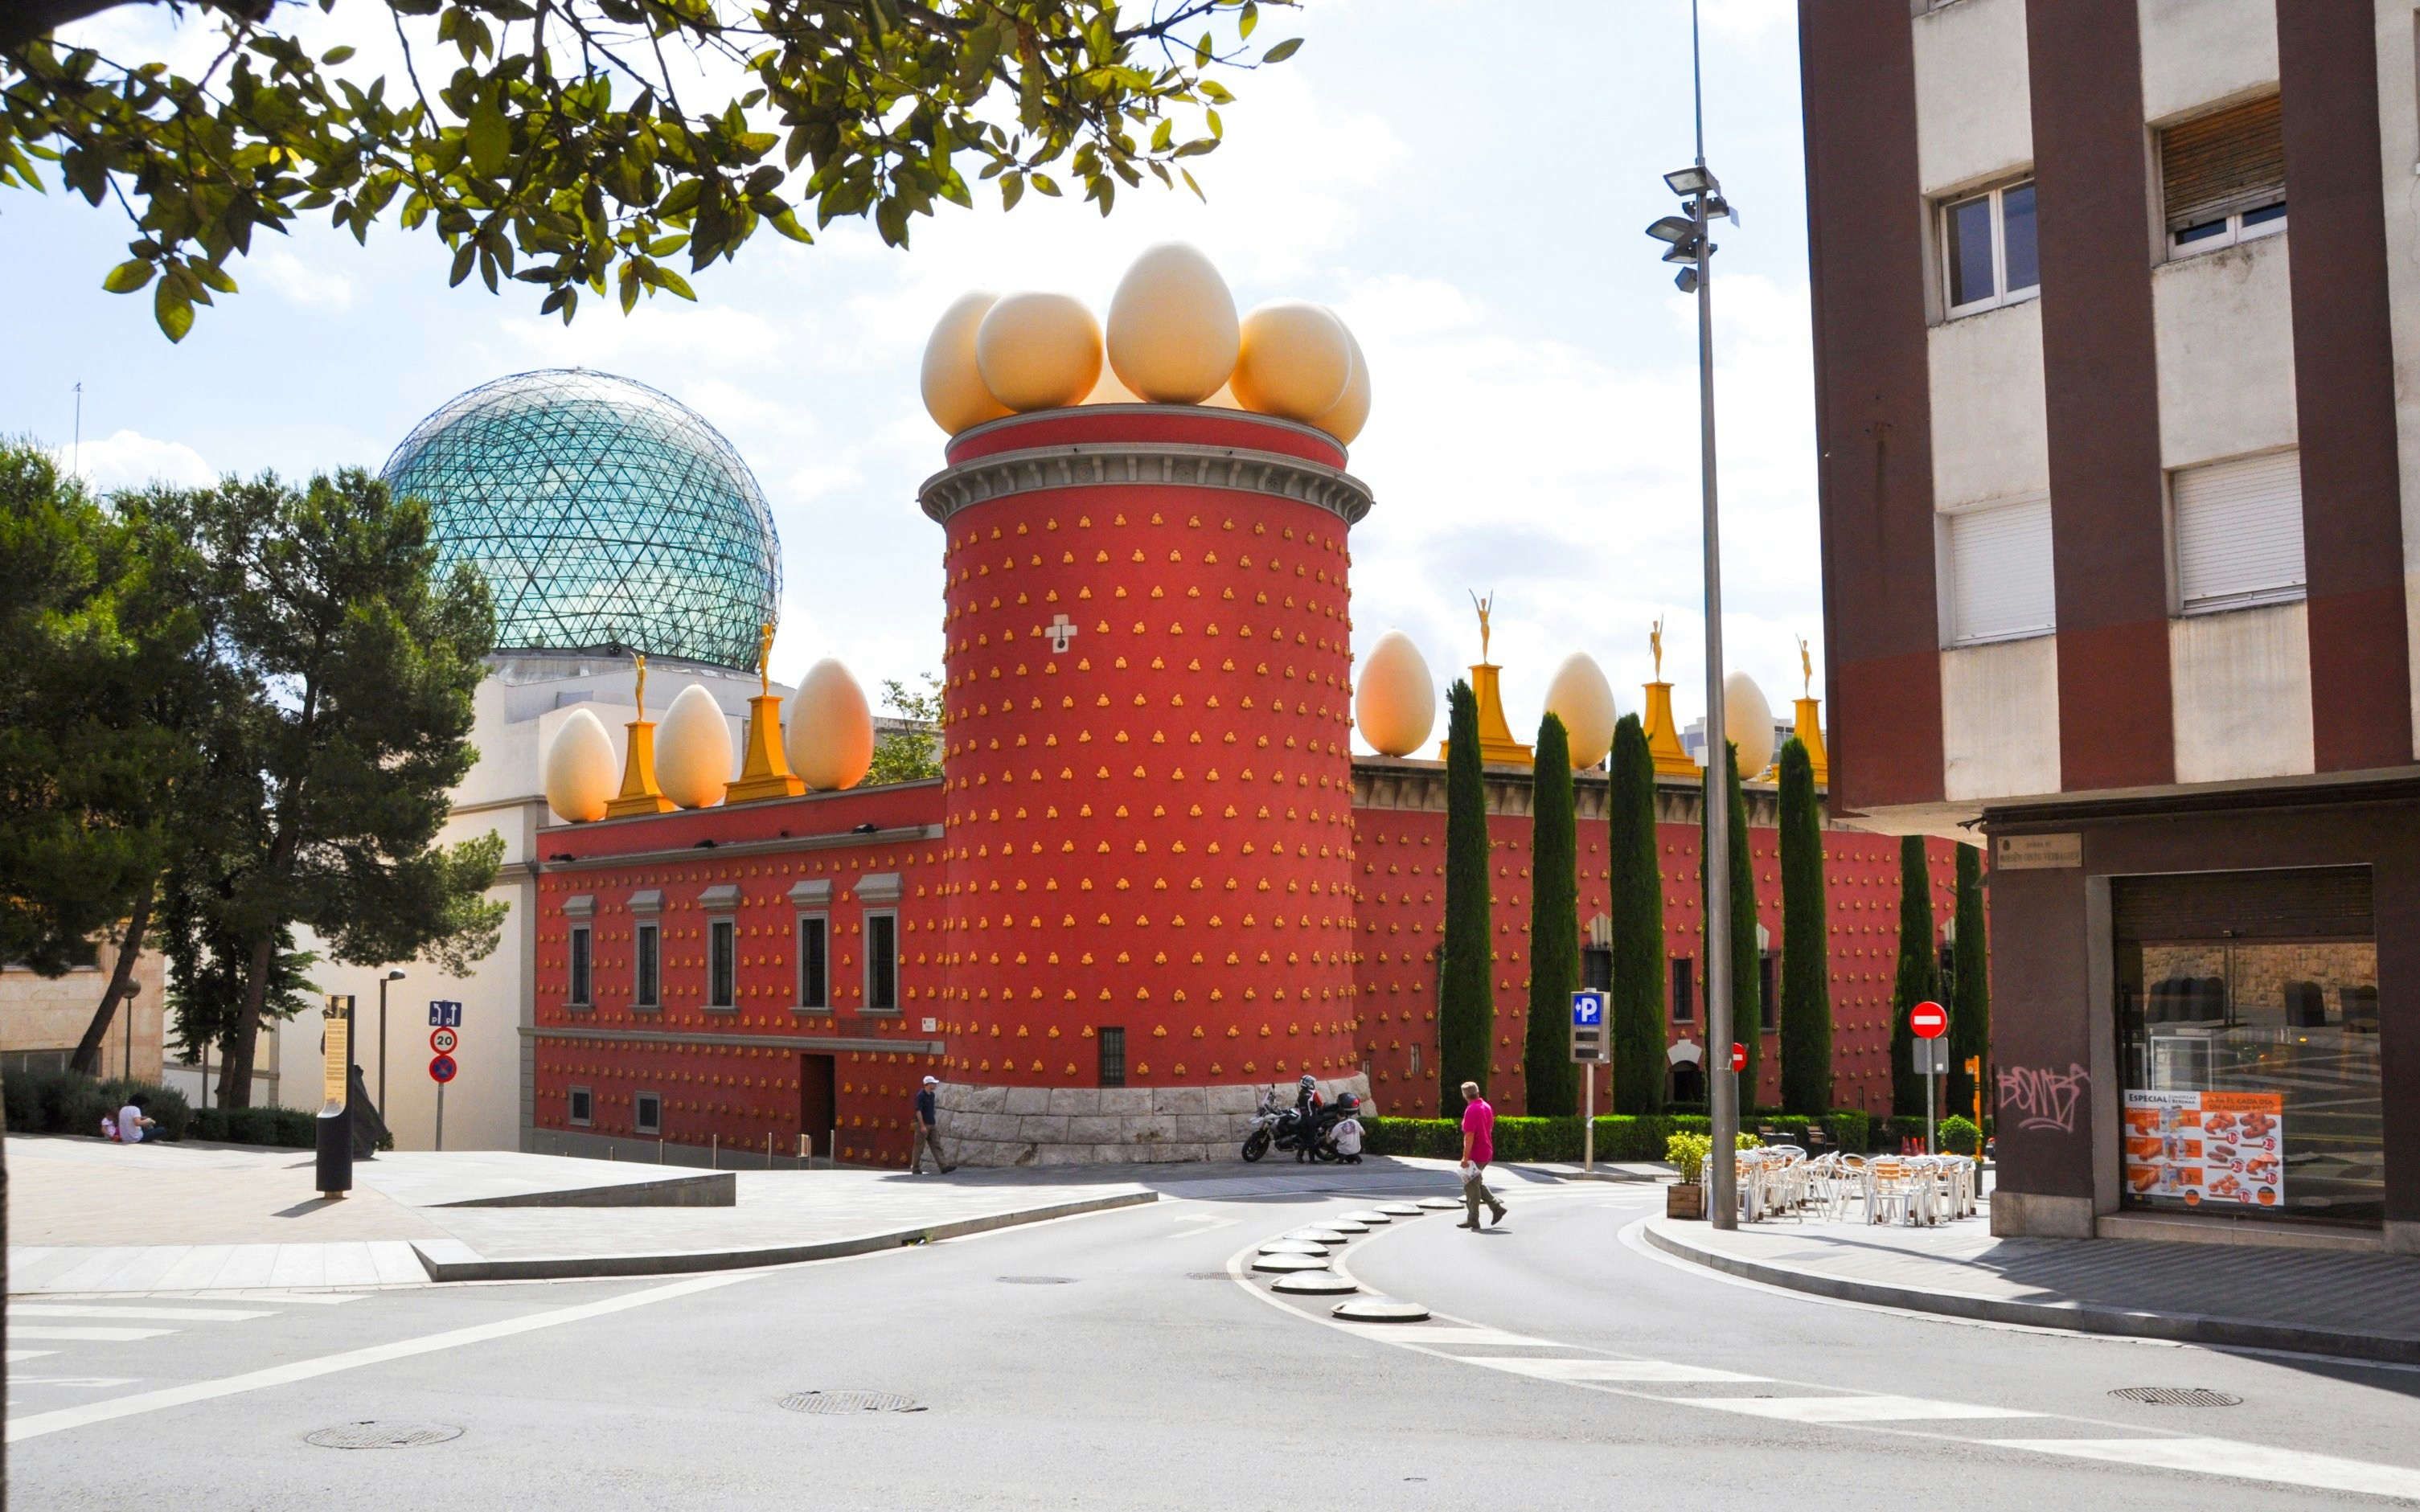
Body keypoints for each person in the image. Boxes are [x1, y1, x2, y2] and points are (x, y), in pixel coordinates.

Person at [1457, 1080, 1505, 1230]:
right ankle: (1496, 1207)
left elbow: (1469, 1135)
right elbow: (1489, 1127)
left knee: (1471, 1185)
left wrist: (1465, 1157)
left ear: (1465, 1095)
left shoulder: (1472, 1109)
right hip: (1487, 1149)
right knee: (1476, 1181)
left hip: (1476, 1153)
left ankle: (1473, 1219)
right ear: (1477, 1092)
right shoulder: (1486, 1107)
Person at [912, 1075, 954, 1174]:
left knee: (936, 1145)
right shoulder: (920, 1095)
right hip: (923, 1124)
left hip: (932, 1123)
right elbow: (918, 1111)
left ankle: (943, 1167)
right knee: (919, 1147)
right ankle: (915, 1168)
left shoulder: (932, 1095)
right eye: (933, 1083)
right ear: (928, 1084)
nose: (935, 1085)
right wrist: (922, 1126)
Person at [1293, 1073, 1323, 1162]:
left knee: (1305, 1138)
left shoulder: (1301, 1093)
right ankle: (1312, 1159)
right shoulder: (1313, 1093)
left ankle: (1299, 1156)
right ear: (1308, 1083)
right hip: (1311, 1119)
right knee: (1311, 1139)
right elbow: (1320, 1105)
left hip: (1303, 1119)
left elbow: (1297, 1105)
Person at [1330, 1096, 1364, 1165]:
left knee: (1329, 1144)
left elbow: (1328, 1141)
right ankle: (1355, 1157)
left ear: (1338, 1115)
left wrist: (1327, 1135)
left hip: (1344, 1151)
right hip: (1356, 1150)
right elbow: (1363, 1133)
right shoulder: (1355, 1122)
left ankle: (1342, 1158)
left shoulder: (1337, 1126)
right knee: (1350, 1148)